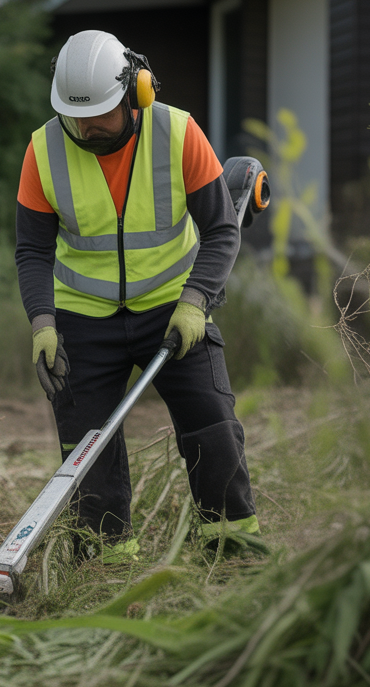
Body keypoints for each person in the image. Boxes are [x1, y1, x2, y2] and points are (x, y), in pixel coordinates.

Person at [14, 30, 259, 563]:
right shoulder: (44, 149)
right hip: (82, 320)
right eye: (75, 115)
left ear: (136, 92)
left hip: (174, 310)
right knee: (86, 449)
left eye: (101, 113)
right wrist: (42, 322)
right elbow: (32, 250)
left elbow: (220, 230)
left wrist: (196, 300)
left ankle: (234, 550)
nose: (85, 127)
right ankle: (107, 563)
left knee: (212, 423)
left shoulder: (178, 132)